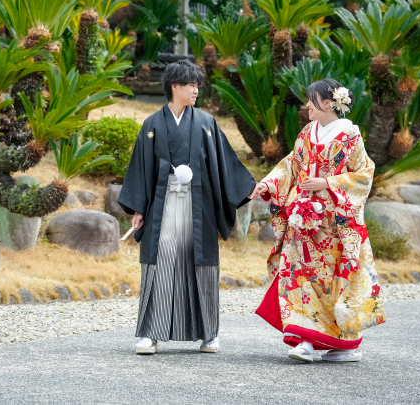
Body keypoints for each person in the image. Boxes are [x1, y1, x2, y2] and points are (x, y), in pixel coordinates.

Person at [118, 60, 257, 355]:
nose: (196, 90)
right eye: (191, 85)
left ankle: (208, 334)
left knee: (201, 265)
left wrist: (247, 187)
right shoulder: (152, 124)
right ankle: (149, 334)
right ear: (175, 87)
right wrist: (138, 208)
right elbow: (140, 168)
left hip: (199, 207)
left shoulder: (206, 123)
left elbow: (224, 164)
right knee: (159, 264)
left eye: (197, 85)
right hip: (162, 205)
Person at [251, 78, 385, 363]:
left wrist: (326, 182)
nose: (306, 106)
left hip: (335, 223)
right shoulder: (307, 132)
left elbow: (364, 175)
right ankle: (306, 341)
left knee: (332, 281)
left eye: (311, 100)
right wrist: (269, 183)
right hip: (304, 218)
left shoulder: (350, 136)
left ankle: (340, 343)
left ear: (328, 103)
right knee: (299, 273)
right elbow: (291, 163)